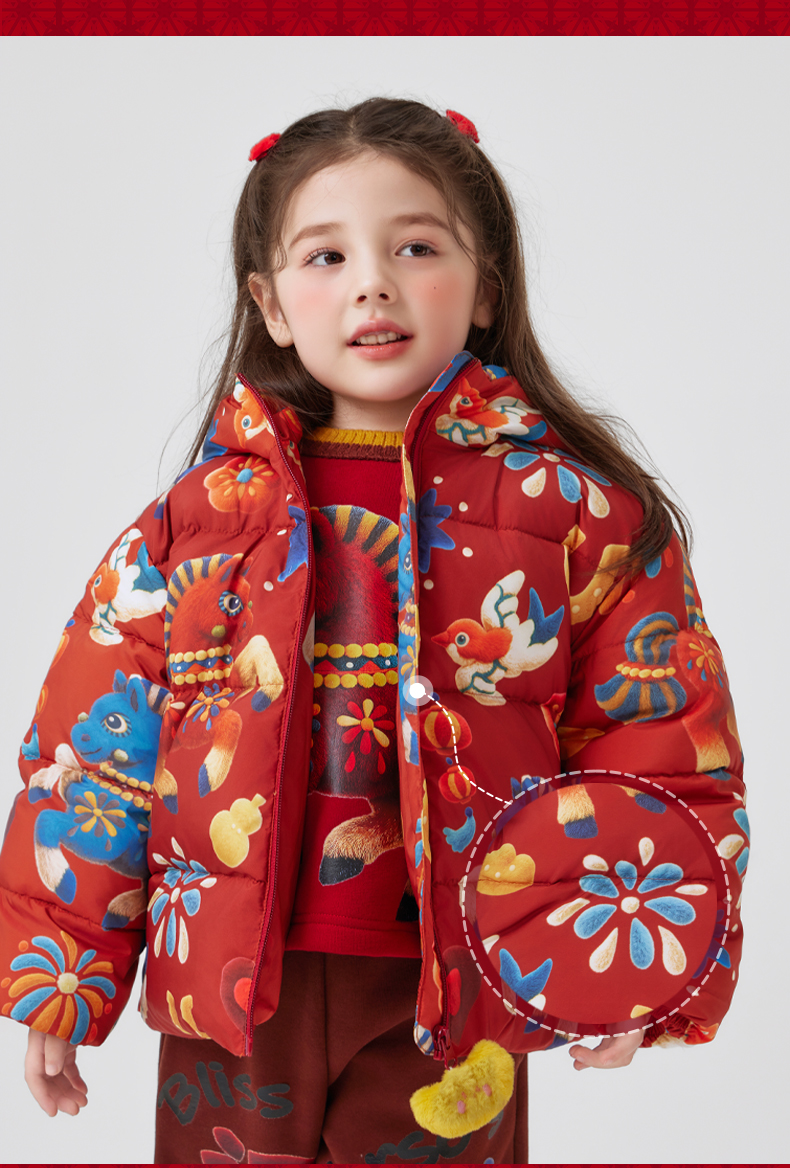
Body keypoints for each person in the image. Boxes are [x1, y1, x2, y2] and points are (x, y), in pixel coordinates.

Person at [0, 98, 746, 1165]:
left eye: (416, 247)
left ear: (486, 287)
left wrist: (634, 966)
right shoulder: (198, 524)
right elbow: (95, 750)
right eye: (326, 255)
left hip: (461, 982)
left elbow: (658, 742)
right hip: (233, 985)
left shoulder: (576, 518)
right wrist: (60, 971)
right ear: (269, 304)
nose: (371, 283)